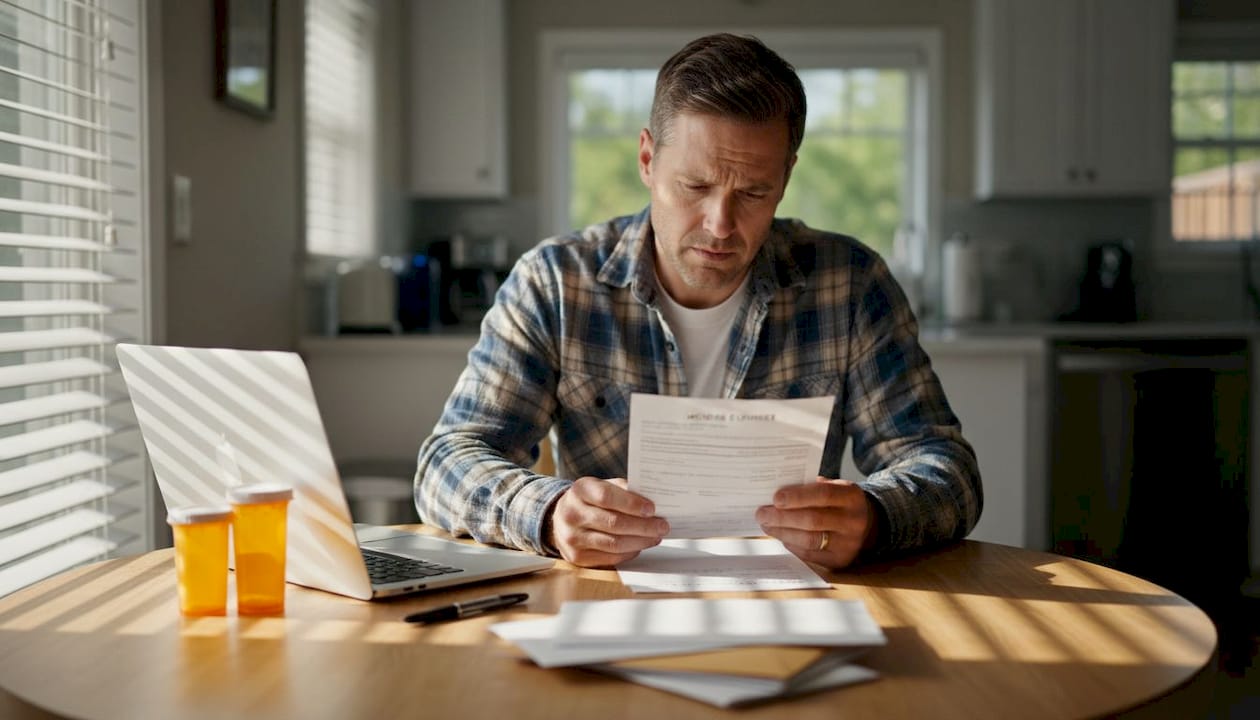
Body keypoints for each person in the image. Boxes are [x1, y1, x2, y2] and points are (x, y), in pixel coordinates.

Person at [414, 32, 981, 570]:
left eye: (754, 193)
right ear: (647, 160)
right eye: (694, 187)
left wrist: (878, 517)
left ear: (785, 179)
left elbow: (947, 470)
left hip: (793, 600)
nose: (720, 224)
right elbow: (445, 464)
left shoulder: (851, 283)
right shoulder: (556, 282)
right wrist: (550, 513)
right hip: (607, 598)